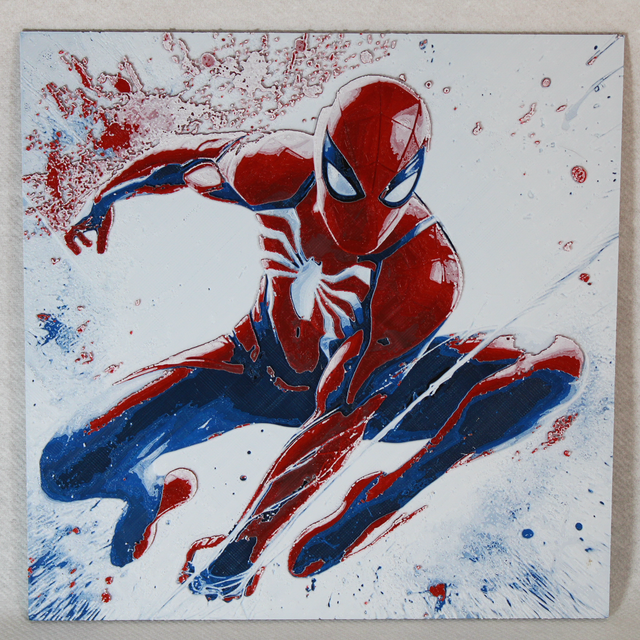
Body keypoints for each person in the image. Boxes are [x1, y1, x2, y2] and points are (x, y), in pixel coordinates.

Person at [40, 75, 584, 601]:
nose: (363, 221)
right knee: (64, 471)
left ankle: (386, 498)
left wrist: (248, 543)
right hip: (248, 368)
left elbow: (339, 419)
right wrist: (107, 197)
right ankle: (148, 497)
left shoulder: (425, 272)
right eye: (347, 184)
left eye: (390, 191)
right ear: (323, 153)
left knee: (556, 368)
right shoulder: (274, 167)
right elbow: (184, 161)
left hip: (369, 394)